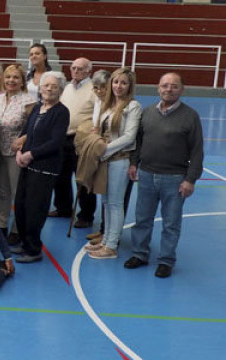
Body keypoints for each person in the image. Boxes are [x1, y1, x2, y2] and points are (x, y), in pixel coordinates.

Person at [125, 72, 203, 278]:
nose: (169, 89)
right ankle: (139, 254)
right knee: (142, 218)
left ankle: (166, 261)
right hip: (147, 175)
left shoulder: (190, 116)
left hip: (175, 178)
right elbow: (138, 142)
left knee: (171, 223)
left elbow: (197, 151)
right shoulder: (148, 112)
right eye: (165, 85)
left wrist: (190, 179)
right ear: (158, 88)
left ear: (181, 89)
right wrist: (134, 163)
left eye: (174, 86)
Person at [83, 68, 141, 260]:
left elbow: (129, 137)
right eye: (116, 82)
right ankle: (106, 239)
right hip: (105, 161)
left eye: (123, 83)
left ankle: (111, 246)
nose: (118, 86)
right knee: (106, 202)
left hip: (119, 160)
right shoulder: (107, 105)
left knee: (115, 204)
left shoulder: (133, 107)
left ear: (129, 86)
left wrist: (104, 151)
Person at [13, 71, 70, 264]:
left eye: (54, 86)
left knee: (35, 209)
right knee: (20, 205)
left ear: (60, 90)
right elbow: (26, 132)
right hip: (27, 165)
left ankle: (33, 248)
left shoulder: (61, 112)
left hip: (44, 168)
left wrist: (31, 154)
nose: (49, 89)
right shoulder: (38, 108)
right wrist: (20, 151)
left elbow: (55, 141)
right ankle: (23, 241)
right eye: (46, 85)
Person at [0, 64, 36, 245]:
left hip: (16, 154)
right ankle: (1, 225)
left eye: (16, 77)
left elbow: (34, 127)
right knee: (3, 192)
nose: (11, 80)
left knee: (17, 193)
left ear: (22, 81)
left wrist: (23, 139)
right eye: (8, 77)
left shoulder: (28, 101)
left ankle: (17, 229)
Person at [50, 57, 97, 229]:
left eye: (80, 68)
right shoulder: (68, 88)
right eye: (73, 68)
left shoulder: (94, 89)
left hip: (81, 140)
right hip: (63, 137)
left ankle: (86, 215)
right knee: (60, 176)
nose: (76, 71)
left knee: (83, 179)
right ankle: (63, 208)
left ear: (88, 71)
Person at [85, 69, 115, 243]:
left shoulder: (115, 104)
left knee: (111, 196)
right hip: (99, 149)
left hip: (111, 153)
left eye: (102, 88)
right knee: (103, 193)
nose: (99, 91)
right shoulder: (98, 101)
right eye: (95, 88)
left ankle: (109, 234)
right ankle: (104, 229)